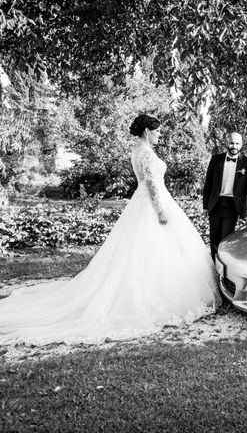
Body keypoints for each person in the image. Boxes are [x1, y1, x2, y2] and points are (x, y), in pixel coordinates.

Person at [0, 114, 220, 346]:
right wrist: (160, 211)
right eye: (157, 131)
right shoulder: (144, 153)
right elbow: (152, 184)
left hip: (142, 202)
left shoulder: (138, 151)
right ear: (146, 131)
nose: (160, 134)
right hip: (153, 205)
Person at [202, 132, 247, 260]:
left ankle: (224, 269)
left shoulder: (246, 163)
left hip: (232, 207)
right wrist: (205, 206)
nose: (234, 146)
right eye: (231, 143)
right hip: (215, 204)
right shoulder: (216, 159)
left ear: (241, 145)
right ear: (226, 143)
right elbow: (208, 184)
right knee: (214, 240)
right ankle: (214, 268)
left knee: (225, 241)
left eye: (237, 143)